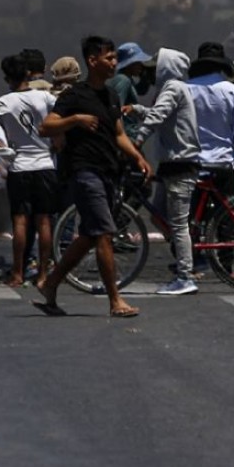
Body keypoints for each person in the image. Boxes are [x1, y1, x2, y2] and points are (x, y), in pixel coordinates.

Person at [34, 36, 152, 318]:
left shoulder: (110, 95)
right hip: (85, 173)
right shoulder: (76, 95)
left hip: (109, 172)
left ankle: (49, 283)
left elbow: (119, 134)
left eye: (114, 57)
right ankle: (115, 300)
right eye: (108, 58)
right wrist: (75, 120)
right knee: (103, 234)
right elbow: (46, 126)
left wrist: (137, 156)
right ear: (92, 60)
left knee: (88, 235)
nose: (113, 63)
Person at [0, 54, 57, 288]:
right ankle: (42, 275)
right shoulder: (45, 97)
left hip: (19, 167)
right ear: (29, 74)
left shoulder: (2, 102)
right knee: (44, 222)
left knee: (20, 221)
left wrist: (1, 145)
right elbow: (61, 117)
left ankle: (18, 274)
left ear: (7, 78)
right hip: (45, 166)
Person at [129, 48, 202, 296]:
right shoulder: (174, 89)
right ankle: (185, 257)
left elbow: (158, 116)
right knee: (158, 215)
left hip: (181, 163)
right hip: (172, 163)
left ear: (166, 67)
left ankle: (185, 276)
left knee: (179, 225)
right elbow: (157, 114)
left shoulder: (173, 88)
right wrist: (137, 110)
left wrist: (137, 141)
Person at [187, 42, 234, 196]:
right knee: (225, 214)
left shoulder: (185, 89)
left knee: (190, 216)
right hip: (223, 163)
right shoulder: (233, 91)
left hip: (193, 164)